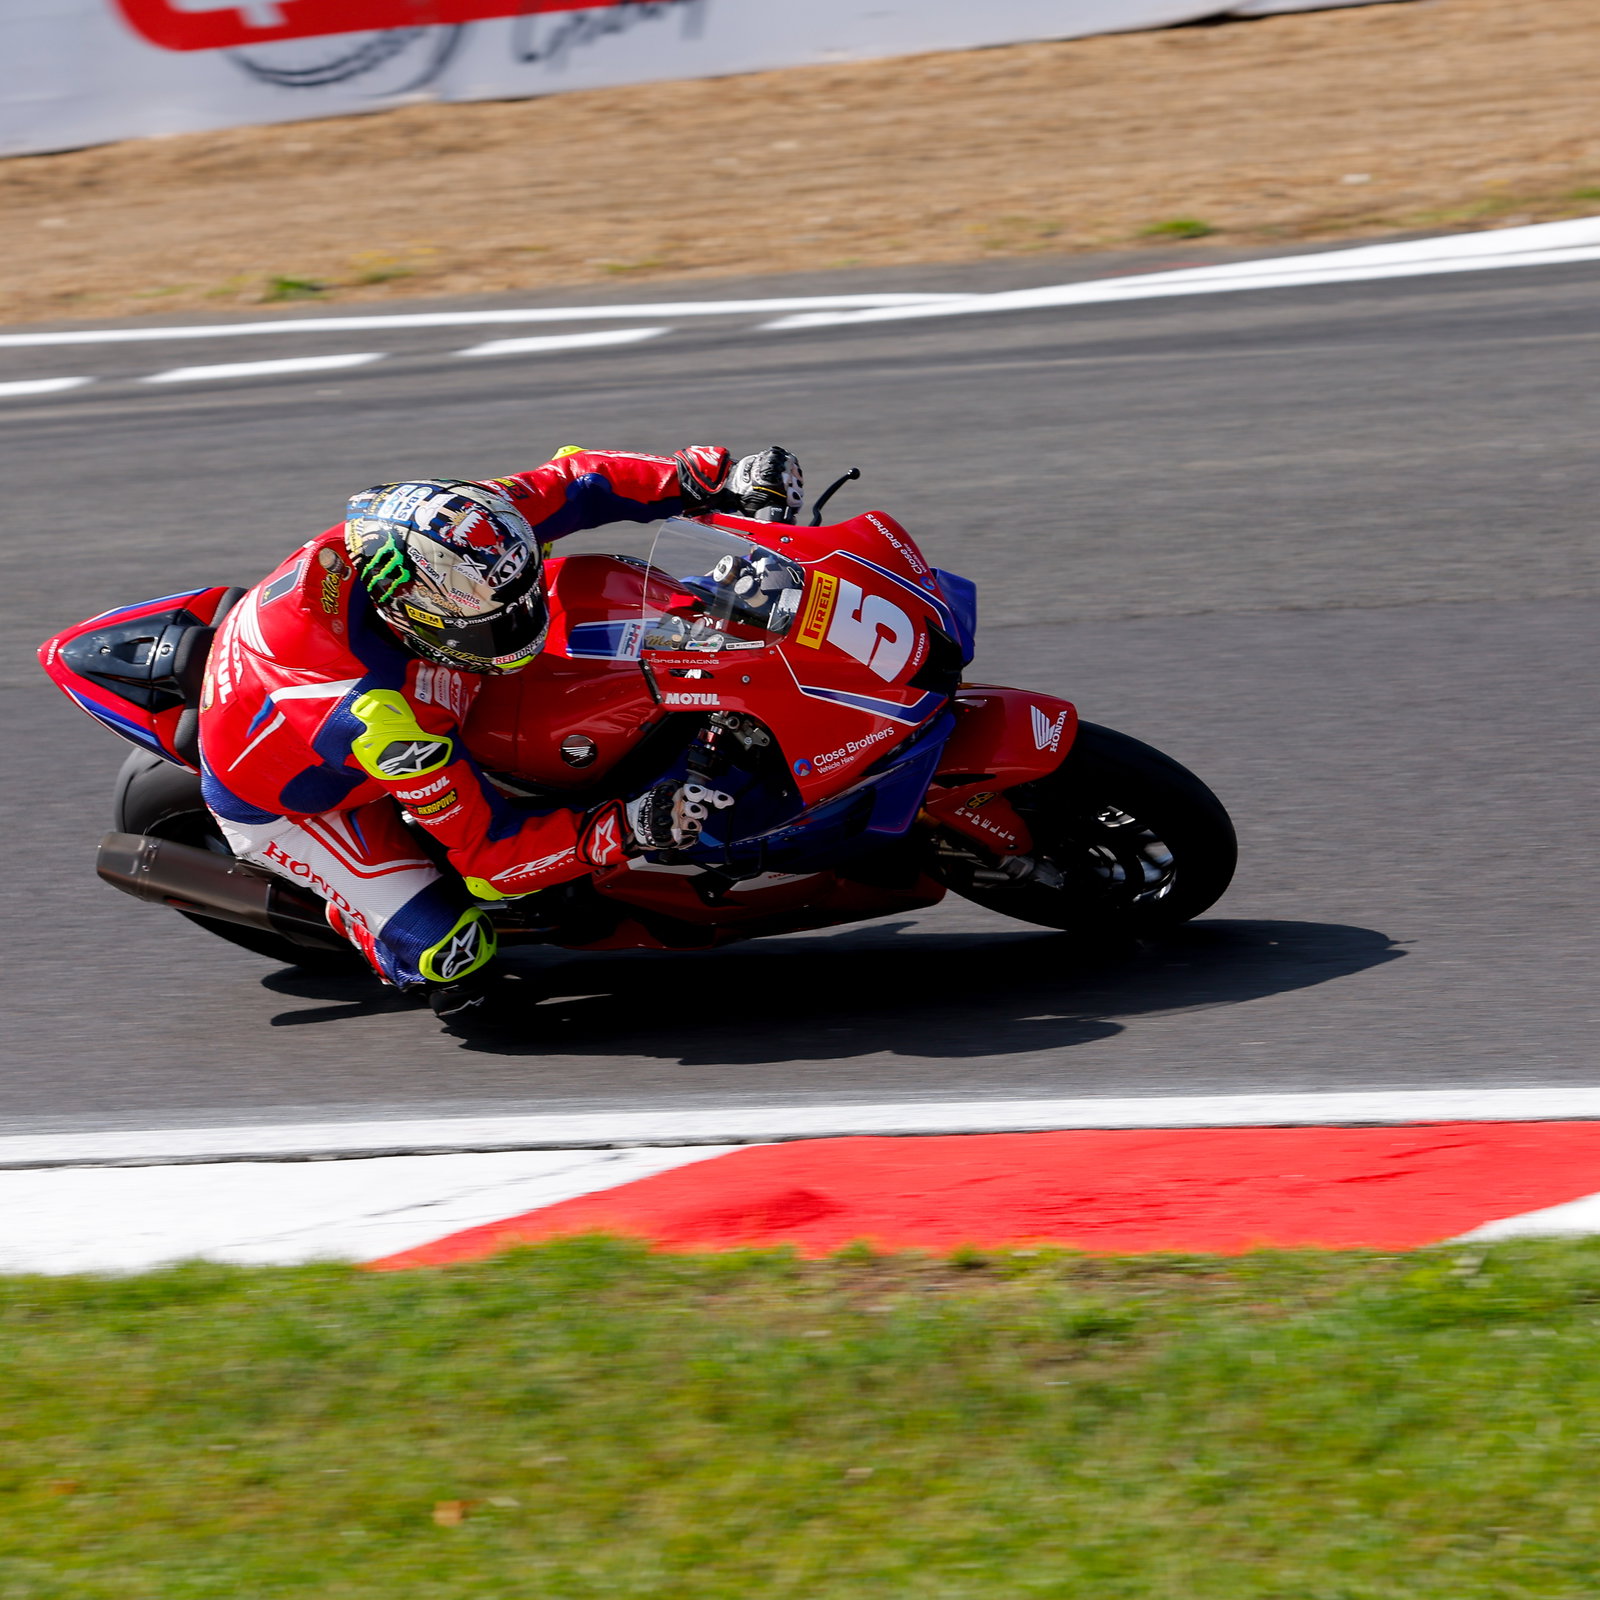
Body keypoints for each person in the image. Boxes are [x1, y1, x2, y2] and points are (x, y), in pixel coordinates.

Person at [197, 444, 803, 1025]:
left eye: (521, 603)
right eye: (497, 625)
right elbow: (490, 857)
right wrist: (629, 826)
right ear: (412, 617)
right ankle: (368, 929)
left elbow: (574, 482)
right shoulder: (381, 724)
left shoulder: (454, 530)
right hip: (303, 805)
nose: (522, 624)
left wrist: (711, 477)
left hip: (400, 675)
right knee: (457, 958)